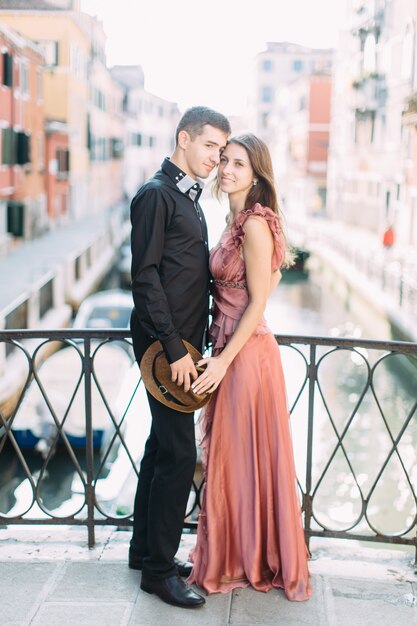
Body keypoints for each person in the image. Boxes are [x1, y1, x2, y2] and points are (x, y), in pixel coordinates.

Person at [188, 133, 312, 601]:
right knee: (232, 458)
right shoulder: (234, 220)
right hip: (228, 348)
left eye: (238, 163)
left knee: (237, 457)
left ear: (256, 173)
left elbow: (259, 300)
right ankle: (238, 553)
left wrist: (222, 362)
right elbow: (271, 277)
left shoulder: (255, 224)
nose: (227, 169)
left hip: (244, 353)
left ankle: (243, 559)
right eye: (224, 161)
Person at [129, 106, 231, 609]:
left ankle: (141, 549)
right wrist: (174, 350)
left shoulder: (185, 195)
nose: (216, 157)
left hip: (183, 346)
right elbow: (145, 278)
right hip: (166, 349)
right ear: (183, 138)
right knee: (177, 455)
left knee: (157, 445)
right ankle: (158, 571)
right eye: (210, 146)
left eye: (221, 149)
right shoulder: (156, 195)